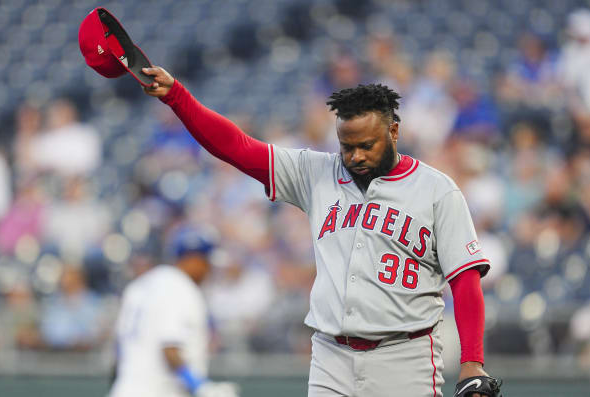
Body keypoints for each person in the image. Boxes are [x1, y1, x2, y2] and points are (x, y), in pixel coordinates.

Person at [138, 65, 500, 397]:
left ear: (393, 131)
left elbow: (464, 280)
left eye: (366, 145)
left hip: (405, 355)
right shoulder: (317, 173)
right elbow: (236, 146)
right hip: (331, 357)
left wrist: (472, 361)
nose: (355, 156)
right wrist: (176, 96)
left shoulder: (437, 190)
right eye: (347, 146)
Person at [109, 228, 239, 397]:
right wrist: (199, 386)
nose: (208, 269)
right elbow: (169, 348)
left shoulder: (140, 285)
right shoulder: (179, 287)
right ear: (191, 259)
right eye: (205, 261)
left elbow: (119, 350)